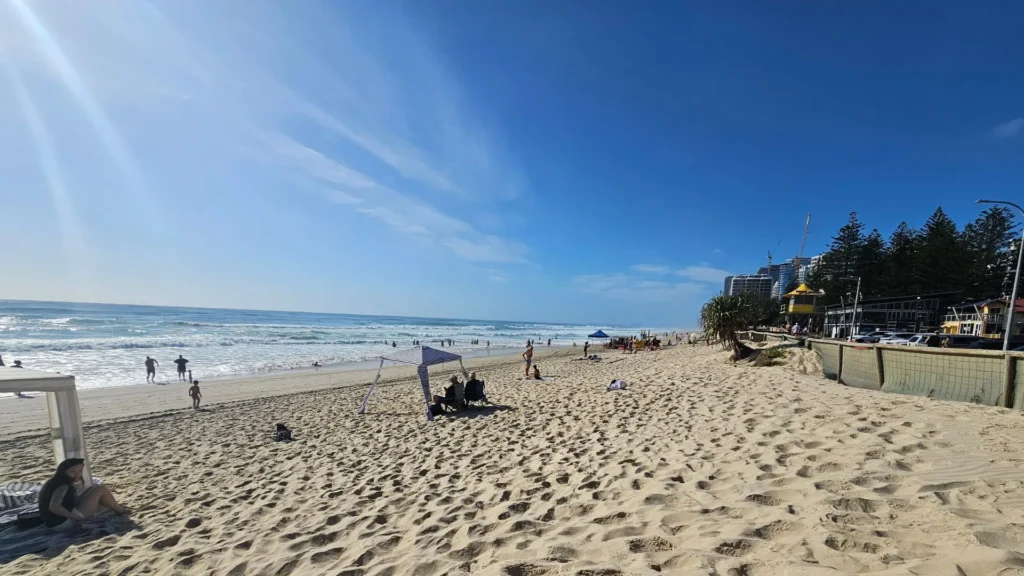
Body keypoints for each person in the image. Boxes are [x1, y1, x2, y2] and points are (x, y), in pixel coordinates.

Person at [38, 458, 130, 532]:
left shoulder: (55, 481)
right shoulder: (63, 486)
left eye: (80, 470)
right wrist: (75, 517)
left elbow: (69, 501)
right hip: (63, 524)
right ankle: (120, 511)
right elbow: (54, 507)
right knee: (101, 489)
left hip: (54, 523)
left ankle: (113, 506)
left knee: (93, 488)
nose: (77, 474)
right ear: (63, 472)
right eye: (72, 471)